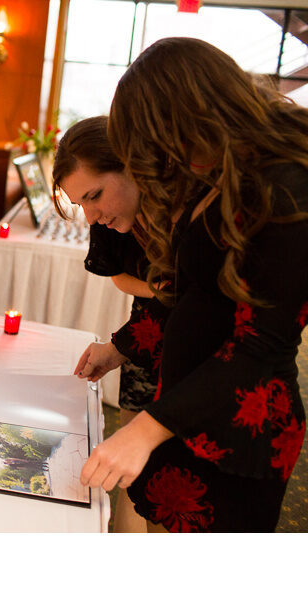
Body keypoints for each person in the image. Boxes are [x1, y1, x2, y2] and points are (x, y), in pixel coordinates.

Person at [73, 37, 308, 532]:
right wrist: (121, 348)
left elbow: (260, 343)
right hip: (188, 406)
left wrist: (146, 427)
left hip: (239, 427)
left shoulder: (286, 184)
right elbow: (189, 296)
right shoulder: (219, 176)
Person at [51, 116, 156, 532]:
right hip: (146, 330)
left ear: (131, 165)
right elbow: (119, 277)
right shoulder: (108, 218)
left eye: (94, 195)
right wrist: (167, 290)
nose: (92, 216)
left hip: (202, 362)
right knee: (135, 474)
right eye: (81, 205)